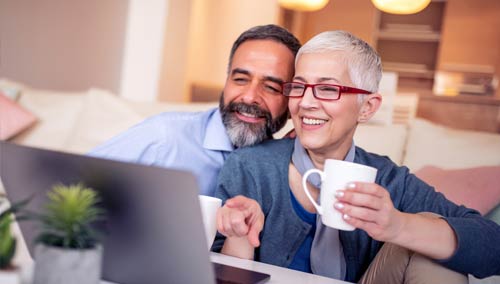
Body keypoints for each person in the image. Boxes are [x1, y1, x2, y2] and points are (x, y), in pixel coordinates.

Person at [212, 30, 500, 283]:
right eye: (299, 87)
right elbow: (216, 273)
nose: (306, 103)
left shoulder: (389, 180)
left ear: (368, 107)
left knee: (433, 248)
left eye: (328, 89)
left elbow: (493, 245)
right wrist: (240, 232)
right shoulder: (250, 166)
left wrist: (397, 226)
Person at [89, 25, 301, 196]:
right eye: (240, 80)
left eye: (271, 87)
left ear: (292, 101)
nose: (250, 97)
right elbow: (71, 190)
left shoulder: (285, 165)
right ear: (226, 80)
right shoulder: (164, 137)